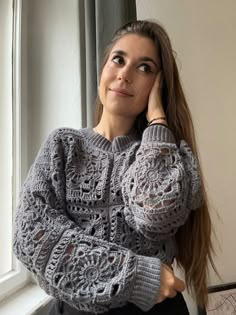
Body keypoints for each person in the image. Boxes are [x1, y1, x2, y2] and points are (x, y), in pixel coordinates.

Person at [13, 20, 217, 315]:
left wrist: (158, 121)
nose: (125, 74)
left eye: (144, 68)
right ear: (103, 69)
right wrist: (134, 276)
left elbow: (155, 215)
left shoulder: (170, 155)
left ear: (159, 86)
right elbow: (31, 235)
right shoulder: (63, 146)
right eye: (118, 60)